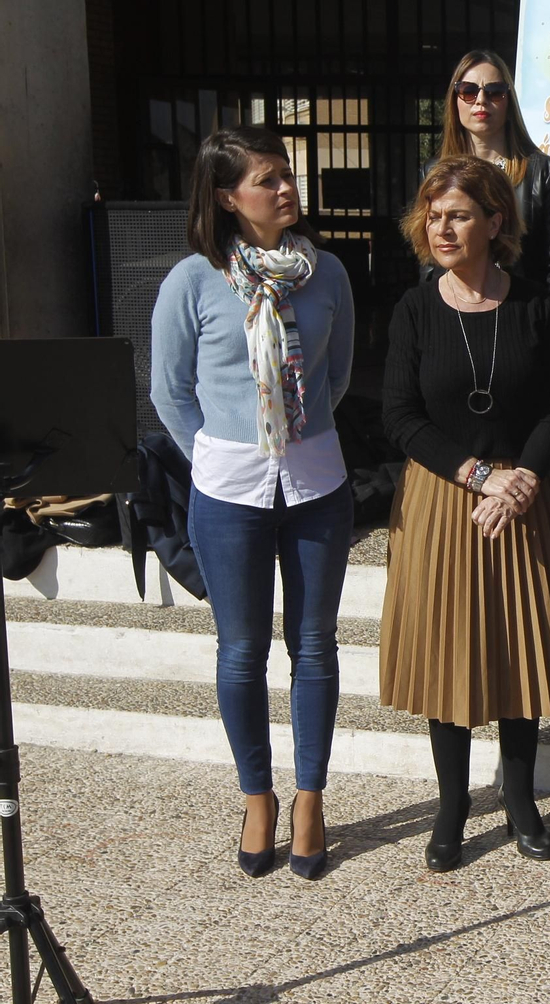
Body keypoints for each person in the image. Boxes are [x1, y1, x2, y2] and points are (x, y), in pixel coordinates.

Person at [150, 126, 355, 881]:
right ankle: (257, 794)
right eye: (267, 180)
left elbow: (336, 377)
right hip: (228, 488)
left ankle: (309, 797)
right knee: (241, 650)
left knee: (314, 645)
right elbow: (169, 392)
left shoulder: (327, 272)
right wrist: (223, 448)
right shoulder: (192, 282)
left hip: (316, 482)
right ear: (229, 197)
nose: (286, 189)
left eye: (287, 175)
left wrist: (293, 432)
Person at [379, 155, 550, 872]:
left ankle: (522, 799)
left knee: (516, 653)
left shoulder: (533, 301)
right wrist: (478, 474)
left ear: (495, 222)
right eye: (434, 215)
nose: (442, 227)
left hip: (524, 500)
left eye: (458, 214)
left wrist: (524, 474)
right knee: (449, 654)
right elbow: (399, 416)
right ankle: (452, 805)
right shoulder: (414, 308)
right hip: (445, 500)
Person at [430, 49, 550, 297]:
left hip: (524, 313)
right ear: (455, 100)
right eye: (468, 91)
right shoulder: (433, 172)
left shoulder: (543, 173)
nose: (481, 100)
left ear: (508, 100)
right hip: (453, 313)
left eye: (494, 91)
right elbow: (428, 260)